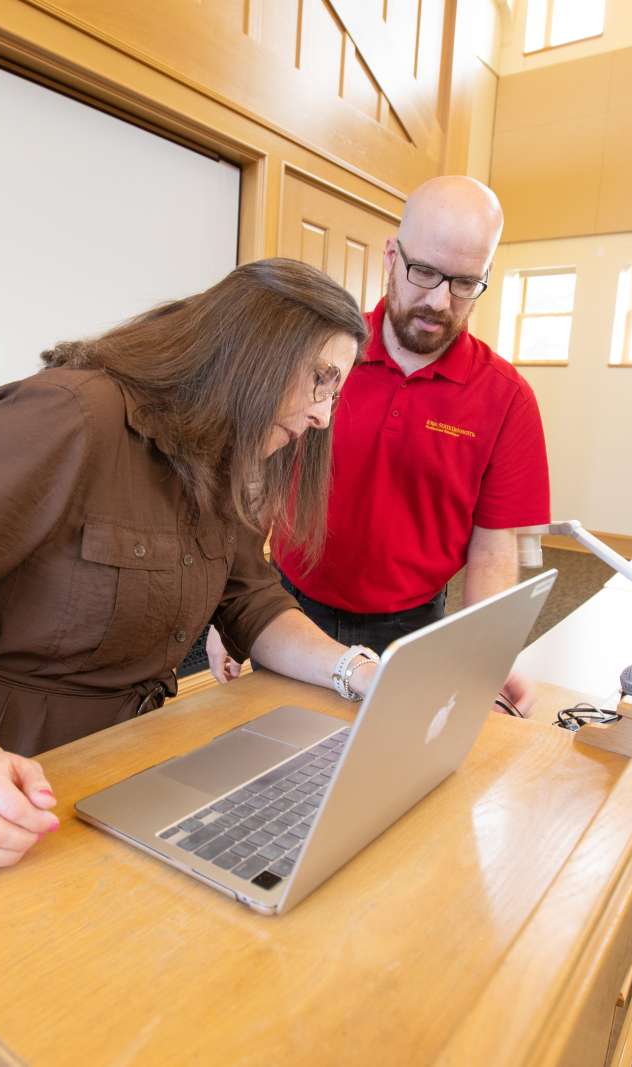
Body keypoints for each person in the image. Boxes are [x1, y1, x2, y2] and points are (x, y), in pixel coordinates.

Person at [0, 258, 387, 869]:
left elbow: (251, 601)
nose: (324, 414)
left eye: (336, 392)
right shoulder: (70, 414)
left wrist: (356, 670)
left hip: (114, 775)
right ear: (253, 352)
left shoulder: (220, 454)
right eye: (320, 380)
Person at [208, 177, 549, 708]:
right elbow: (256, 485)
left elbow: (494, 551)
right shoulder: (321, 356)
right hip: (289, 608)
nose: (438, 300)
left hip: (412, 626)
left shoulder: (507, 398)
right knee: (278, 764)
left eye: (464, 283)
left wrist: (487, 654)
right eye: (424, 272)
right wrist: (228, 605)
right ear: (391, 255)